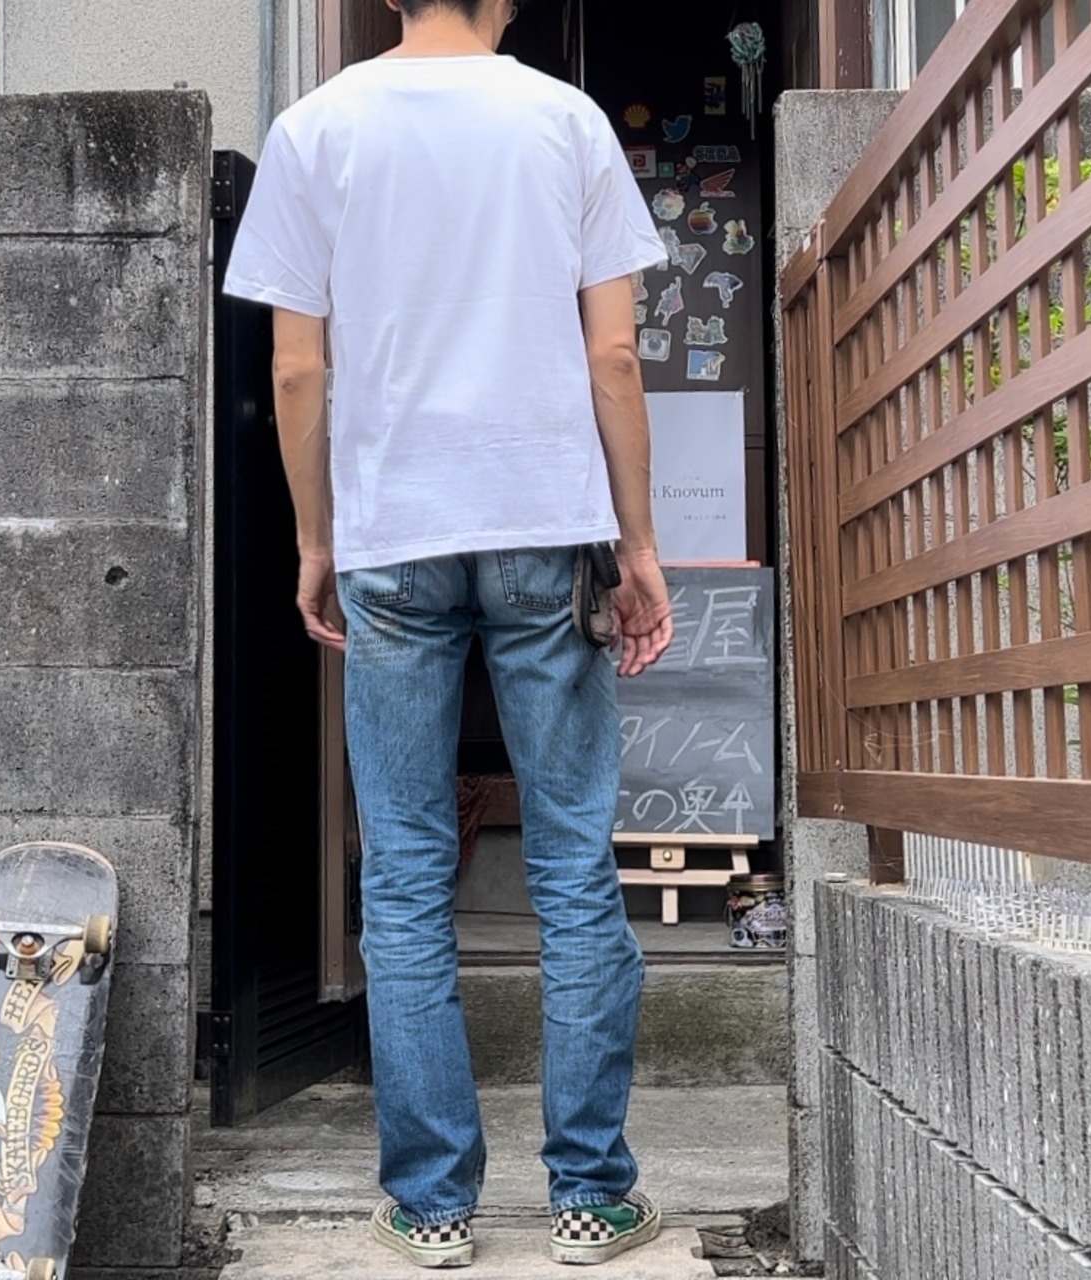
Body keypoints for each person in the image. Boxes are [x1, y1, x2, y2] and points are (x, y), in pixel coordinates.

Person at [224, 0, 674, 1267]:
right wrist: (637, 546)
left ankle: (431, 1204)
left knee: (405, 871)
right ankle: (587, 1195)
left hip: (393, 528)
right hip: (543, 520)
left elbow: (297, 370)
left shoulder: (317, 128)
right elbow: (612, 357)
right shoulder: (564, 121)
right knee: (572, 865)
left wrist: (316, 537)